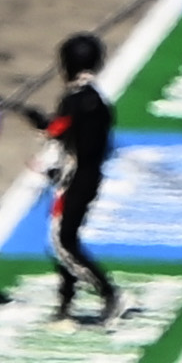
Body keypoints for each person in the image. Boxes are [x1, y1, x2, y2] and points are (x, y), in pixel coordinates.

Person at [35, 29, 117, 323]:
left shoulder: (74, 100)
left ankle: (108, 293)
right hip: (86, 176)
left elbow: (58, 132)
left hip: (75, 178)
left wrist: (38, 122)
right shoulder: (99, 101)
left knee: (62, 242)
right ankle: (66, 300)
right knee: (61, 239)